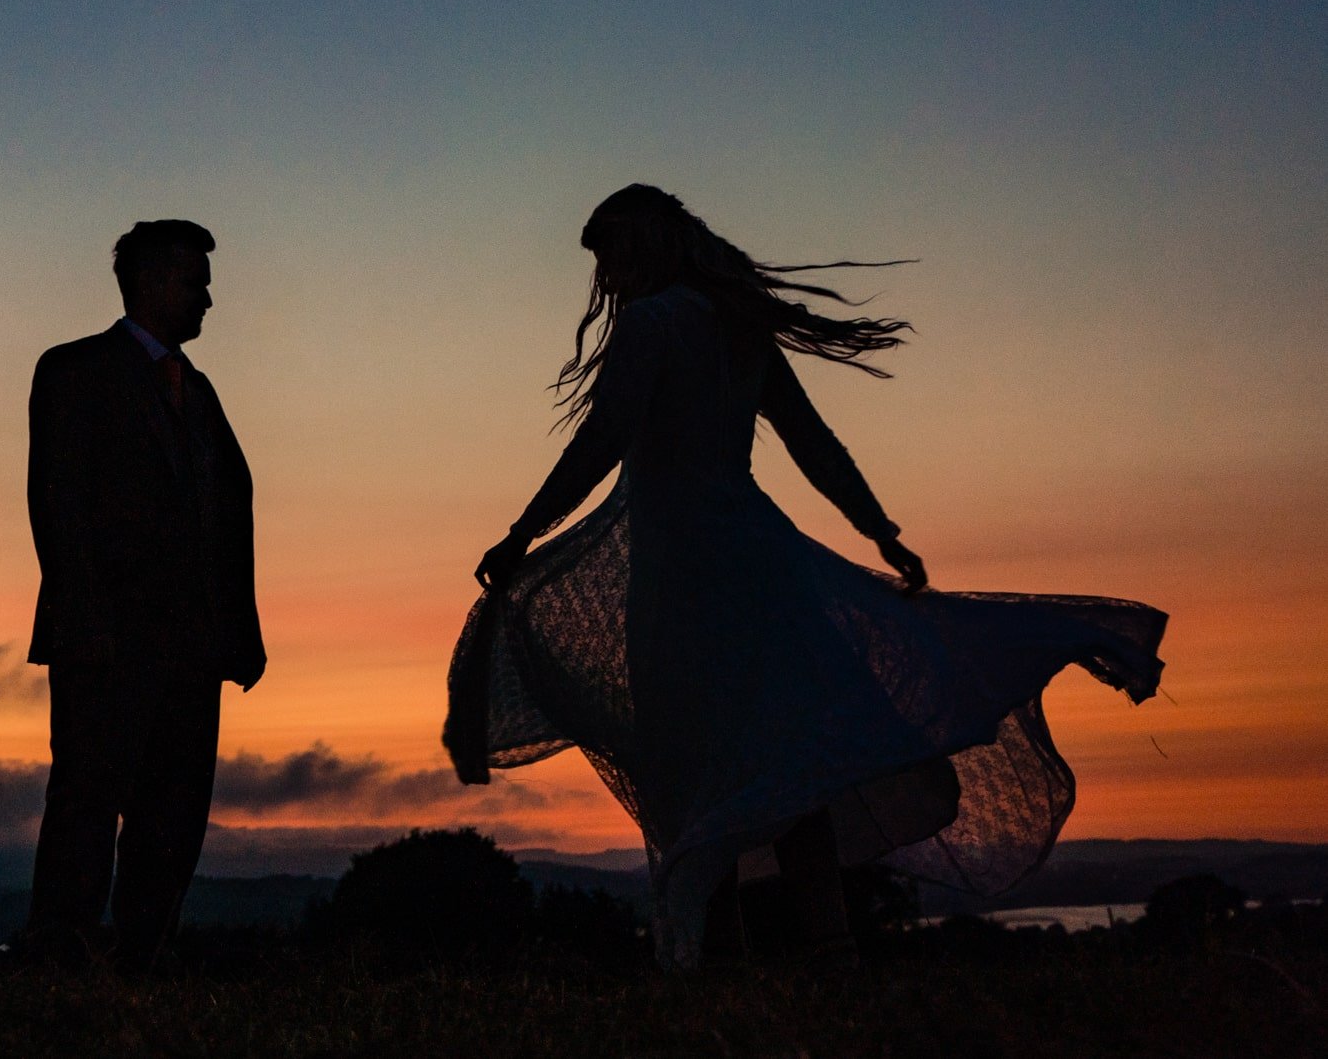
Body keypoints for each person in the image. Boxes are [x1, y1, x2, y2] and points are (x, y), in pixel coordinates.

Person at [446, 185, 1166, 967]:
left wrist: (524, 531)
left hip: (686, 584)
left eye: (610, 256)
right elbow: (813, 443)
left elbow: (602, 440)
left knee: (695, 773)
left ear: (643, 244)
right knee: (791, 766)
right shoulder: (739, 325)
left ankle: (723, 968)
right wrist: (879, 529)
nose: (608, 280)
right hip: (763, 569)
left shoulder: (655, 324)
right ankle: (831, 957)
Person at [21, 219, 265, 969]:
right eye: (197, 281)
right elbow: (57, 499)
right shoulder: (73, 370)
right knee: (88, 802)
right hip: (108, 636)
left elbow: (229, 508)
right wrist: (82, 617)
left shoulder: (202, 392)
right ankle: (59, 962)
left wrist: (240, 630)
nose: (210, 298)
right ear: (154, 281)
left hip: (191, 646)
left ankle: (140, 965)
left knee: (174, 816)